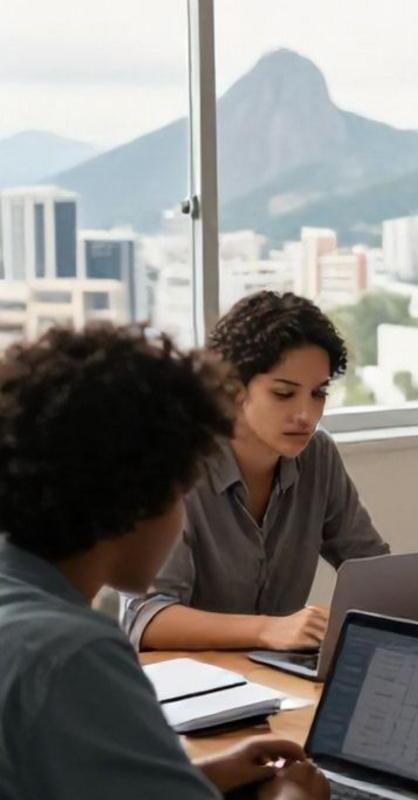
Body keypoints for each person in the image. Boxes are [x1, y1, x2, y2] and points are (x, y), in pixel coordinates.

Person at [0, 324, 328, 799]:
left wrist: (197, 779)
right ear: (137, 499)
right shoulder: (75, 653)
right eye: (181, 492)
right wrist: (293, 795)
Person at [123, 291, 388, 651]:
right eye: (283, 394)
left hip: (278, 680)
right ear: (232, 387)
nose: (306, 414)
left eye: (318, 393)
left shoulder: (318, 455)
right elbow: (147, 619)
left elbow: (373, 570)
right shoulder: (173, 462)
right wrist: (268, 630)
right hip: (191, 687)